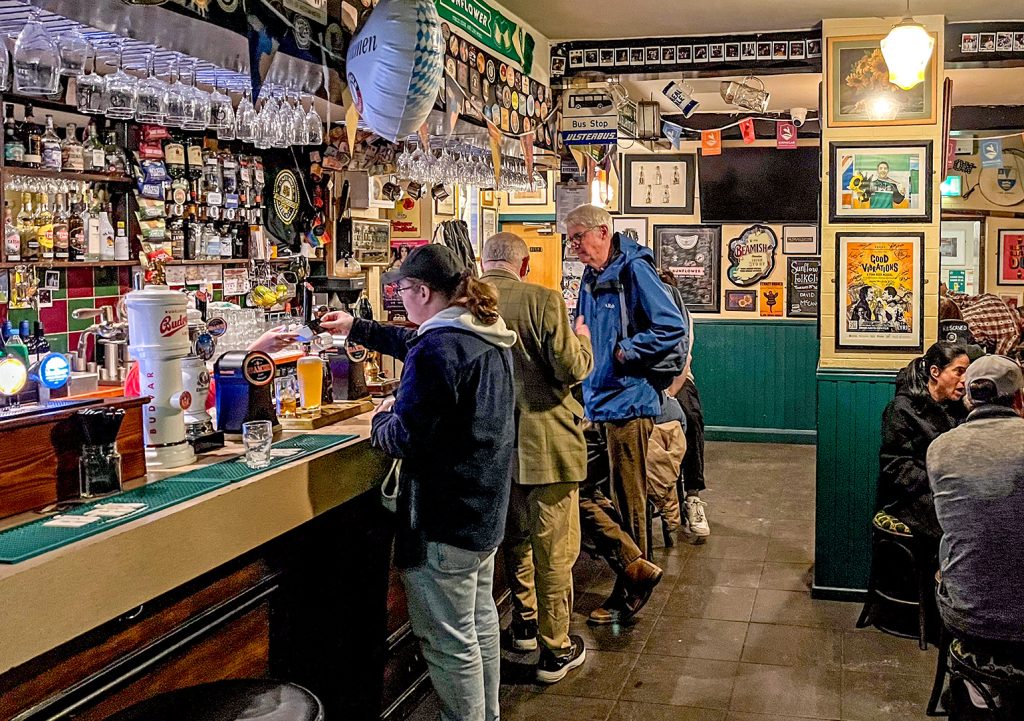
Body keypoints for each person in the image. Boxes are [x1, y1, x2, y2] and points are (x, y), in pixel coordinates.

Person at [320, 244, 517, 721]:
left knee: (451, 644)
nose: (400, 297)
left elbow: (406, 436)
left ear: (423, 291)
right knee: (480, 623)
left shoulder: (439, 347)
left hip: (443, 518)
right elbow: (415, 346)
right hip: (483, 509)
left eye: (402, 289)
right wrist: (358, 328)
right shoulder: (485, 333)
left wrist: (381, 417)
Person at [566, 204, 686, 624]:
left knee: (629, 501)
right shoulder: (592, 274)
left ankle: (631, 588)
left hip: (629, 402)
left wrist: (626, 351)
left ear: (603, 231)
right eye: (570, 237)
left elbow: (671, 327)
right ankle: (634, 564)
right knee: (576, 488)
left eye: (578, 236)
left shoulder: (634, 269)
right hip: (596, 401)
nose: (572, 244)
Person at [480, 232, 592, 683]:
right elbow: (571, 368)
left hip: (494, 446)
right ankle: (555, 648)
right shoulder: (543, 301)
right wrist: (583, 340)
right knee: (555, 549)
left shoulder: (466, 304)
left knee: (517, 539)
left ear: (482, 262)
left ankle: (523, 623)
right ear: (524, 266)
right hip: (548, 443)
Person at [927, 355, 1024, 710]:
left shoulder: (940, 449)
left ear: (969, 396)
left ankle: (979, 688)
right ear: (1018, 399)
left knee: (951, 543)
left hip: (967, 613)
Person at [879, 342, 970, 555]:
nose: (964, 380)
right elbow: (897, 468)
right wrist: (942, 481)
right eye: (959, 372)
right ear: (935, 372)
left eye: (968, 373)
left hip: (949, 490)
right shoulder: (902, 409)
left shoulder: (960, 409)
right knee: (958, 526)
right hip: (912, 497)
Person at [122, 326, 300, 407]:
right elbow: (206, 395)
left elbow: (207, 391)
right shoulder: (146, 371)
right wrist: (252, 352)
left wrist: (251, 353)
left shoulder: (176, 365)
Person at [658, 271, 709, 537]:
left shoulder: (683, 316)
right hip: (646, 381)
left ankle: (692, 496)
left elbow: (683, 363)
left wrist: (667, 395)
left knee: (691, 416)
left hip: (676, 379)